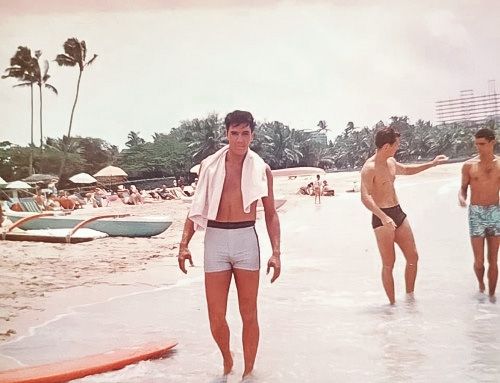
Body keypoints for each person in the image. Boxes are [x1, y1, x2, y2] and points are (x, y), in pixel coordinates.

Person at [177, 110, 281, 379]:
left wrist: (276, 253)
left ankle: (248, 374)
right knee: (215, 317)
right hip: (216, 238)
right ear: (226, 134)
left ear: (252, 135)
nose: (239, 139)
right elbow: (195, 206)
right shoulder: (209, 166)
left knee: (249, 313)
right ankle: (227, 358)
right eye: (234, 133)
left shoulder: (262, 170)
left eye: (245, 133)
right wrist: (184, 244)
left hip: (246, 238)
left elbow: (270, 214)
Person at [360, 126, 448, 305]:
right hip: (382, 217)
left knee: (413, 257)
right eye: (396, 145)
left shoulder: (391, 161)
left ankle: (409, 299)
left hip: (398, 213)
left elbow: (407, 170)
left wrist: (431, 164)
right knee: (389, 264)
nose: (398, 147)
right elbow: (365, 196)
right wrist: (383, 217)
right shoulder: (369, 168)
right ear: (386, 146)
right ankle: (392, 305)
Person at [458, 128, 499, 301]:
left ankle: (491, 297)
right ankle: (481, 284)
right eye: (476, 144)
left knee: (493, 259)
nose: (478, 148)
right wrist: (461, 198)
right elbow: (463, 189)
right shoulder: (468, 166)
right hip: (476, 213)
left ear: (492, 142)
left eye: (482, 144)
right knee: (479, 260)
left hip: (495, 212)